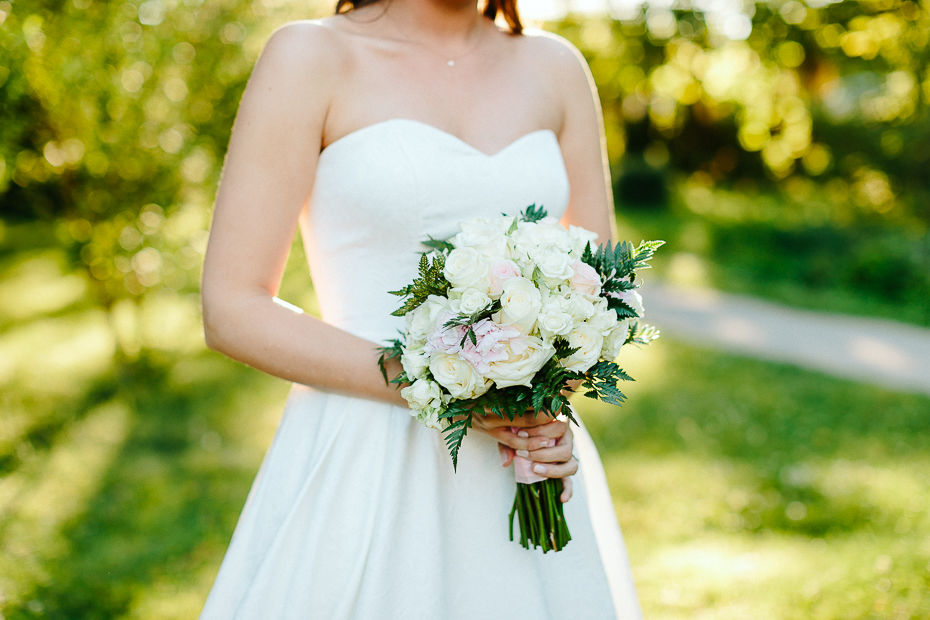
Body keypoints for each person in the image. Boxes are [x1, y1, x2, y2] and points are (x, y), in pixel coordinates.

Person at [198, 0, 643, 616]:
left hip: (525, 456)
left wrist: (551, 386)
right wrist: (439, 383)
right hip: (364, 451)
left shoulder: (557, 67)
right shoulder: (310, 56)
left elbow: (602, 285)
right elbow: (232, 307)